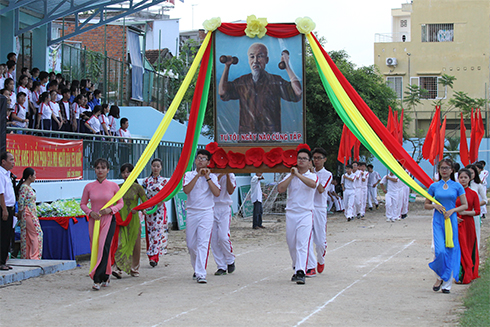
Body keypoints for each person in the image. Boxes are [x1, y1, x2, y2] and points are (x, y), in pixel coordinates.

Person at [218, 42, 302, 136]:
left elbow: (297, 92)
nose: (255, 61)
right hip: (247, 138)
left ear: (267, 60)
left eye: (260, 56)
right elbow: (222, 92)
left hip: (270, 138)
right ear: (248, 60)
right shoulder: (242, 82)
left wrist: (287, 67)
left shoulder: (275, 81)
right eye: (252, 57)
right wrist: (227, 66)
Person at [80, 158, 123, 290]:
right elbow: (82, 203)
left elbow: (120, 203)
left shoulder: (113, 186)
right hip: (95, 220)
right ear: (94, 169)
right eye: (98, 168)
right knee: (96, 247)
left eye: (103, 168)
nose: (100, 170)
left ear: (108, 170)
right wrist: (90, 212)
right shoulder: (89, 187)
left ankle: (97, 279)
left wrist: (111, 210)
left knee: (104, 247)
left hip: (109, 220)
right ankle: (106, 274)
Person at [425, 159, 467, 294]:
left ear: (452, 170)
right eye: (442, 168)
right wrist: (434, 206)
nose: (444, 170)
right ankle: (439, 277)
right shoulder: (434, 186)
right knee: (439, 251)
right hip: (438, 220)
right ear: (439, 170)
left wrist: (453, 210)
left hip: (451, 220)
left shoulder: (457, 186)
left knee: (450, 250)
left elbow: (464, 205)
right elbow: (426, 204)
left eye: (447, 168)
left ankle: (446, 285)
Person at [277, 149, 318, 285]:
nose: (301, 160)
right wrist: (291, 176)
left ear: (309, 162)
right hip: (291, 213)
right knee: (292, 243)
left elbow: (312, 185)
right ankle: (296, 266)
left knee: (302, 243)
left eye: (304, 158)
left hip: (305, 213)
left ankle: (301, 271)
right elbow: (280, 189)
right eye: (299, 158)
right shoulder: (290, 176)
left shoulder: (312, 176)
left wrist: (298, 175)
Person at [183, 150, 220, 284]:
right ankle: (196, 268)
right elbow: (186, 190)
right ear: (195, 160)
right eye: (199, 158)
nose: (201, 161)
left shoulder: (213, 177)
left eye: (204, 159)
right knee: (191, 244)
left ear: (208, 162)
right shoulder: (189, 175)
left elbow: (216, 193)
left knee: (203, 243)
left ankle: (201, 273)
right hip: (192, 212)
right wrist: (198, 176)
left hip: (206, 212)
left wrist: (207, 178)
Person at [112, 163, 147, 278]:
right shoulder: (118, 187)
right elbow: (113, 202)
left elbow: (145, 202)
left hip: (133, 219)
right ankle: (117, 268)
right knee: (120, 243)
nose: (126, 174)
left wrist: (140, 209)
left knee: (135, 244)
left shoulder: (138, 188)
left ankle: (134, 268)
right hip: (121, 219)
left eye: (128, 172)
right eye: (123, 172)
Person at [306, 147, 332, 277]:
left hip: (320, 209)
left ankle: (321, 260)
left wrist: (313, 176)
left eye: (319, 158)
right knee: (307, 238)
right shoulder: (307, 172)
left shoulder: (327, 174)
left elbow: (321, 189)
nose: (316, 161)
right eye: (314, 158)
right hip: (308, 208)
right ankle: (310, 265)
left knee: (320, 242)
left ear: (324, 160)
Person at [142, 158, 168, 267]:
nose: (156, 168)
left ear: (161, 167)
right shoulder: (146, 181)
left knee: (158, 231)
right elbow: (143, 196)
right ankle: (150, 255)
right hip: (149, 209)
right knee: (150, 232)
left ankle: (155, 257)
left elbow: (168, 194)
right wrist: (143, 207)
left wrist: (161, 201)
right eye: (154, 166)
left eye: (158, 166)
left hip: (160, 209)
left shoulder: (164, 181)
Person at [455, 168, 480, 284]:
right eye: (461, 177)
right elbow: (450, 207)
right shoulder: (454, 193)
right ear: (458, 178)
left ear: (470, 179)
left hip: (468, 224)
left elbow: (478, 211)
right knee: (458, 248)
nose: (463, 180)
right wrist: (455, 217)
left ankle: (467, 273)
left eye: (465, 177)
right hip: (456, 223)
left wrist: (465, 213)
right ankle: (458, 274)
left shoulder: (473, 194)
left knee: (469, 247)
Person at [211, 173, 236, 276]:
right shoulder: (210, 174)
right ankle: (221, 266)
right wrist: (219, 175)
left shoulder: (231, 175)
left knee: (223, 237)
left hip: (224, 207)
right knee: (213, 239)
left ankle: (230, 259)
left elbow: (230, 191)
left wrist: (227, 175)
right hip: (211, 207)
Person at [16, 168, 42, 259]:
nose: (35, 177)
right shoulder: (24, 187)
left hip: (31, 212)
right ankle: (34, 256)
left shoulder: (28, 187)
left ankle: (28, 255)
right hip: (28, 213)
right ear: (30, 176)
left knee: (30, 234)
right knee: (36, 233)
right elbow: (21, 202)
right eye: (34, 175)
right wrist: (20, 212)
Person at [0, 152, 16, 271]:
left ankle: (4, 259)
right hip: (3, 208)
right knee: (3, 235)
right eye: (10, 159)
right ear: (3, 161)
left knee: (8, 235)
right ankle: (1, 261)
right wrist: (4, 209)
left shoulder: (8, 174)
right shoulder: (0, 174)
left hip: (10, 208)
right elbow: (1, 193)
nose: (13, 162)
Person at [466, 164, 487, 249]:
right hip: (462, 213)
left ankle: (474, 254)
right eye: (468, 173)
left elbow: (485, 200)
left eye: (472, 173)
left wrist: (475, 204)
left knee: (475, 233)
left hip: (474, 213)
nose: (470, 175)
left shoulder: (478, 185)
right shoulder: (459, 185)